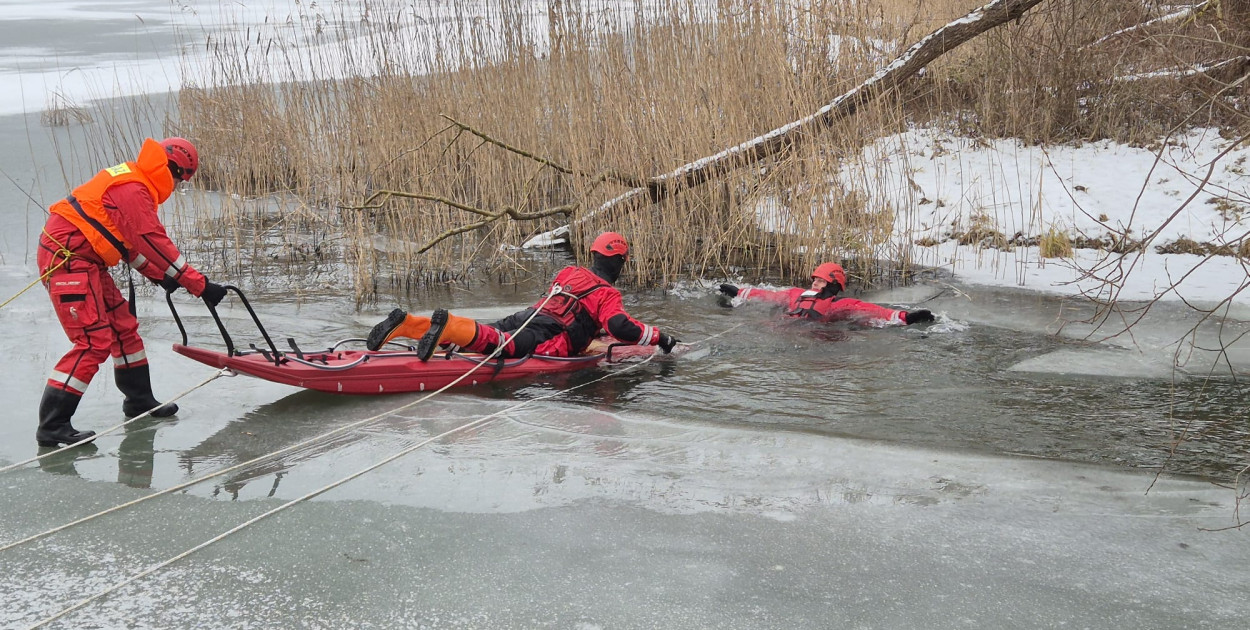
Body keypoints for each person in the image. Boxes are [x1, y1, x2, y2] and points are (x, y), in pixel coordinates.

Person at [35, 136, 229, 447]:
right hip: (67, 261)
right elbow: (153, 241)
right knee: (92, 342)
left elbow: (126, 245)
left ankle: (139, 401)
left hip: (88, 262)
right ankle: (53, 425)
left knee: (123, 329)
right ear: (174, 168)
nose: (178, 187)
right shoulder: (134, 188)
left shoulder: (134, 181)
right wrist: (199, 285)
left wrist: (160, 276)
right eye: (181, 179)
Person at [366, 232, 680, 360]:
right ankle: (447, 326)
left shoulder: (569, 273)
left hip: (528, 315)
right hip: (549, 335)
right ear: (620, 262)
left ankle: (408, 324)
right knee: (501, 346)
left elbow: (578, 308)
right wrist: (659, 337)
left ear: (594, 254)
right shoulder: (608, 293)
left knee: (492, 332)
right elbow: (619, 327)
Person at [718, 262, 935, 325]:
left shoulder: (841, 304)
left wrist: (906, 317)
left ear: (833, 285)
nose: (815, 283)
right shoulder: (795, 294)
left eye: (821, 281)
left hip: (817, 335)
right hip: (785, 326)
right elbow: (767, 296)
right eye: (815, 279)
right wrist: (740, 293)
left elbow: (876, 311)